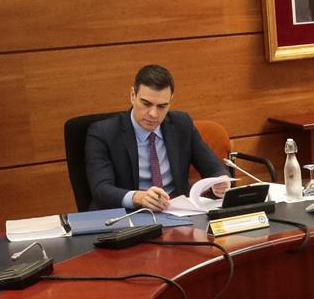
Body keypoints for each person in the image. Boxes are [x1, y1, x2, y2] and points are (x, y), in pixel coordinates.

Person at [82, 64, 227, 212]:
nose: (153, 114)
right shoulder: (103, 133)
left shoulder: (181, 124)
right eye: (146, 103)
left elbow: (213, 167)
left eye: (162, 106)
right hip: (129, 217)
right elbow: (101, 189)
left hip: (177, 214)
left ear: (171, 101)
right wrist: (138, 198)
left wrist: (220, 181)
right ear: (133, 95)